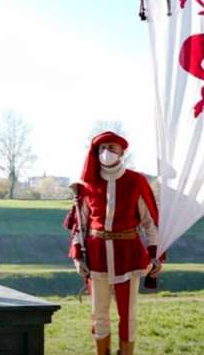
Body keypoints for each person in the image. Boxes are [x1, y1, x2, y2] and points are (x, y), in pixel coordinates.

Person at [68, 131, 162, 355]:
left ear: (122, 151)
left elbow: (149, 222)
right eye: (101, 148)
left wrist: (155, 254)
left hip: (127, 255)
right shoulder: (88, 183)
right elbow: (80, 224)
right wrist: (78, 259)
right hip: (96, 256)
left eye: (111, 147)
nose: (106, 152)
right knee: (99, 313)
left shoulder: (135, 181)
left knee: (127, 314)